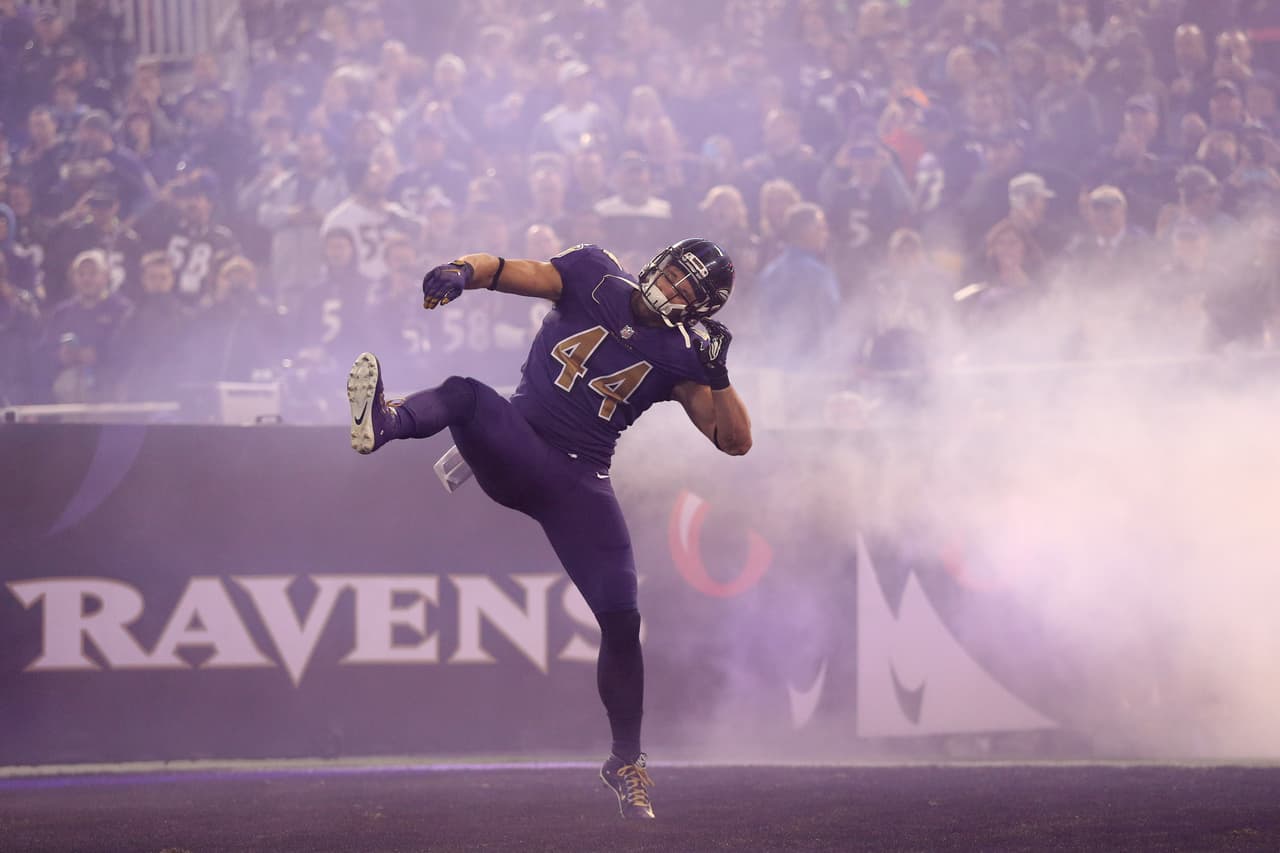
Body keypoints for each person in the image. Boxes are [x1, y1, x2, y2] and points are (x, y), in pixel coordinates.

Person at [345, 238, 751, 820]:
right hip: (518, 446)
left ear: (702, 308)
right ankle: (388, 421)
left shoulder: (687, 357)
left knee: (622, 615)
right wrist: (462, 270)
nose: (674, 289)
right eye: (675, 275)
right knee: (464, 393)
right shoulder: (594, 275)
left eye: (690, 290)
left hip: (578, 482)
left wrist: (719, 375)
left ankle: (626, 761)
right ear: (656, 260)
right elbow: (511, 271)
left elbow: (735, 441)